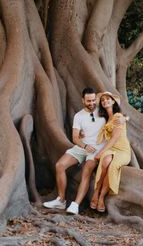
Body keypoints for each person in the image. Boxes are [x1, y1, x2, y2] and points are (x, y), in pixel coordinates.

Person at [43, 87, 106, 215]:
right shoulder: (79, 116)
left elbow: (118, 113)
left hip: (97, 149)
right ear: (83, 100)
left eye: (94, 100)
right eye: (89, 101)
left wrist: (124, 118)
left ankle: (75, 205)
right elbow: (75, 137)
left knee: (86, 170)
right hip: (83, 147)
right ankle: (61, 200)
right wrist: (84, 146)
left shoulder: (103, 111)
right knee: (60, 165)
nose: (92, 103)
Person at [91, 91, 131, 213]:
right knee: (105, 161)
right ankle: (96, 191)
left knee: (112, 165)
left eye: (108, 99)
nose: (105, 101)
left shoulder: (118, 117)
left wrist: (100, 152)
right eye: (103, 100)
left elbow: (114, 138)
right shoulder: (107, 119)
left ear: (113, 101)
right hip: (112, 149)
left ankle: (101, 197)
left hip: (122, 150)